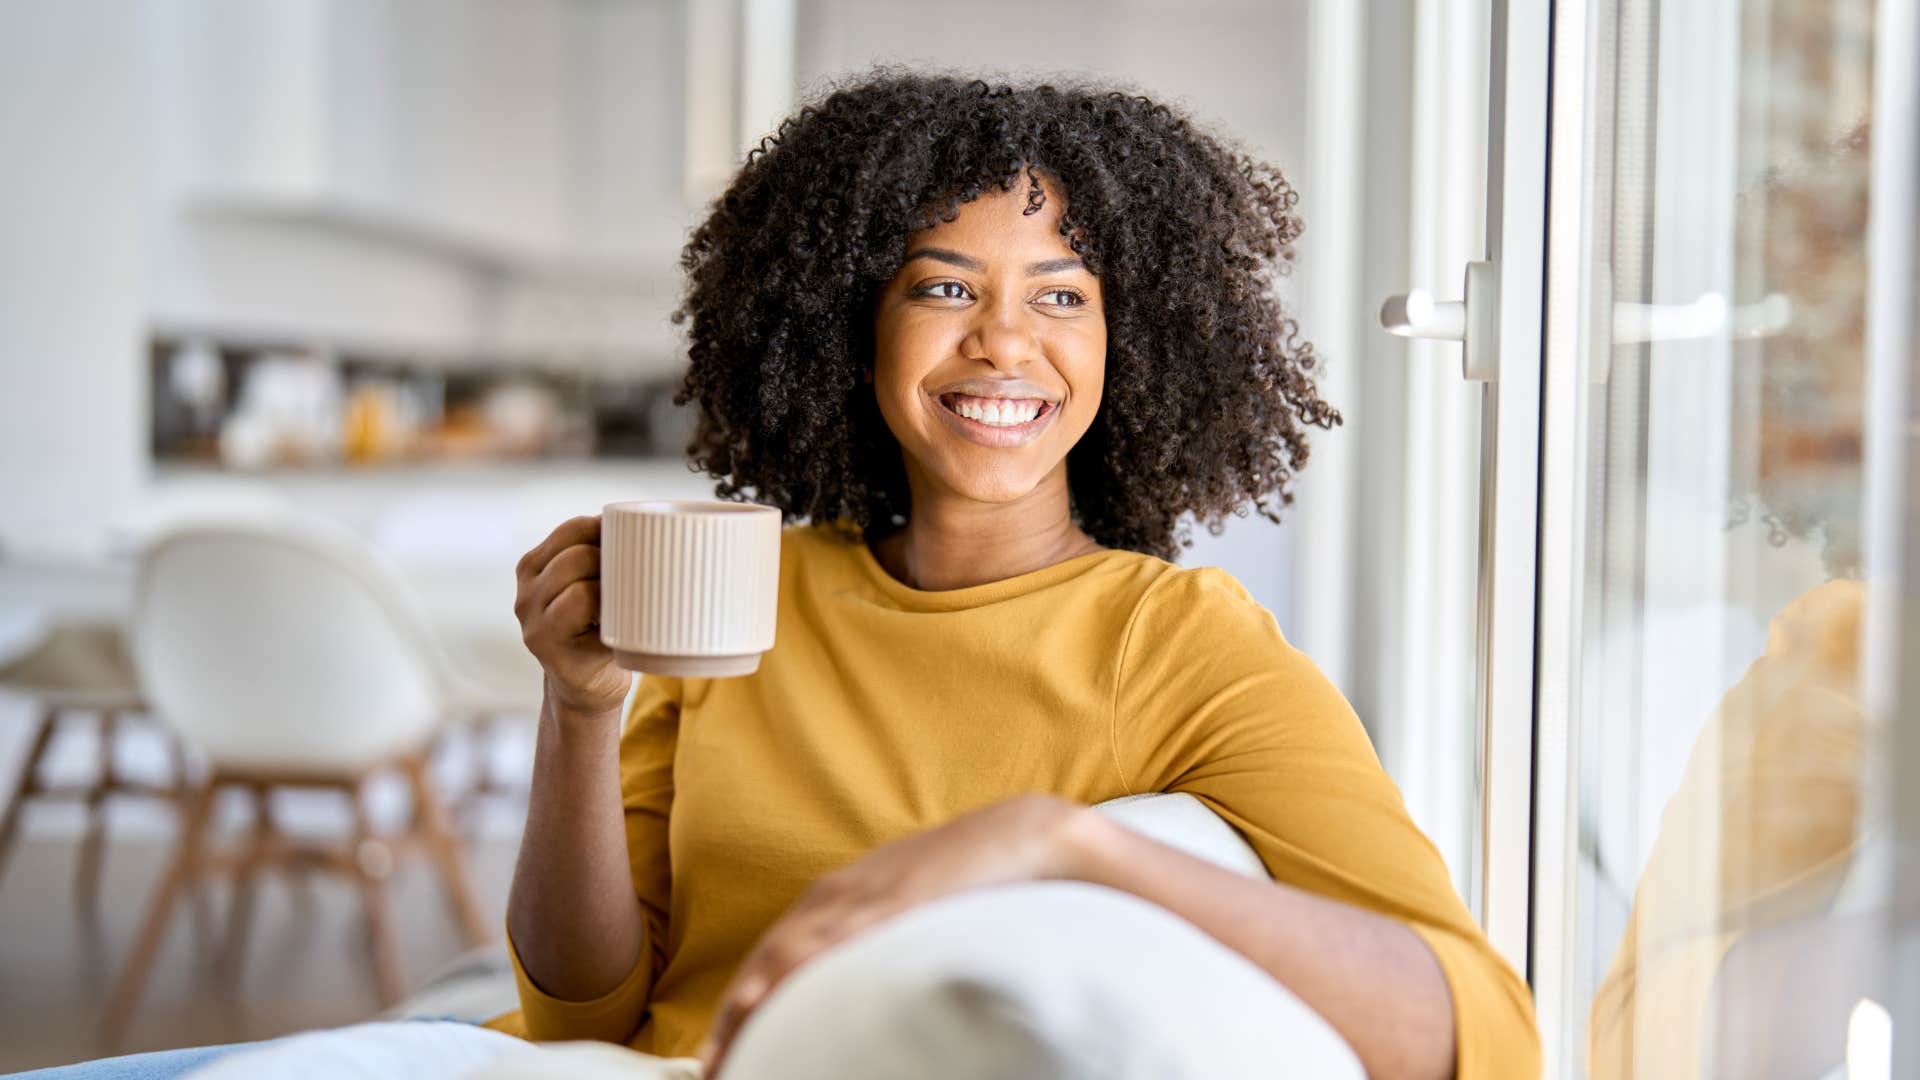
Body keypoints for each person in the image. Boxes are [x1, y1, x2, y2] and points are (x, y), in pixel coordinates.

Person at [27, 70, 1537, 1080]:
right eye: (942, 288)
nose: (1003, 344)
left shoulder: (1183, 644)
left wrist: (1069, 846)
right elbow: (582, 1003)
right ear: (843, 330)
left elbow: (1483, 1030)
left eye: (1060, 298)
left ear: (1130, 347)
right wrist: (576, 709)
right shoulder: (756, 591)